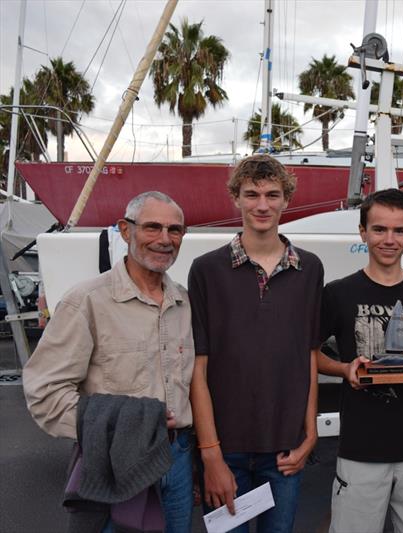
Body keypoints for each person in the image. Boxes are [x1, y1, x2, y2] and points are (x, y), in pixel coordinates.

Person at [23, 191, 195, 532]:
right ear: (126, 231)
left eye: (174, 230)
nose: (164, 240)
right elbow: (44, 392)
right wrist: (114, 428)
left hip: (179, 460)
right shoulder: (86, 301)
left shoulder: (185, 304)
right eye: (152, 227)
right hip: (117, 459)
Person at [188, 154, 323, 533]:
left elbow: (308, 354)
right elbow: (198, 367)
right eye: (251, 194)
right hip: (225, 450)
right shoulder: (207, 269)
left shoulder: (309, 268)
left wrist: (310, 434)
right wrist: (210, 454)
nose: (262, 205)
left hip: (285, 449)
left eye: (272, 194)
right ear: (236, 198)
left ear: (286, 200)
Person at [315, 188, 403, 533]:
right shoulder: (338, 292)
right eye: (379, 229)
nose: (389, 239)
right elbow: (307, 354)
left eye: (399, 230)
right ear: (362, 232)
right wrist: (343, 368)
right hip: (360, 449)